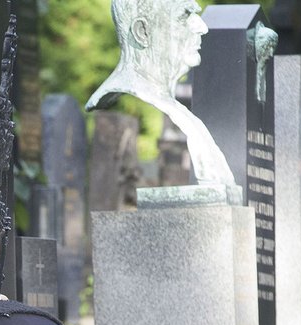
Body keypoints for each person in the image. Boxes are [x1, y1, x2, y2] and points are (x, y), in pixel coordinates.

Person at [85, 0, 235, 187]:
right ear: (142, 32)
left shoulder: (187, 117)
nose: (202, 27)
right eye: (185, 16)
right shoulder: (163, 106)